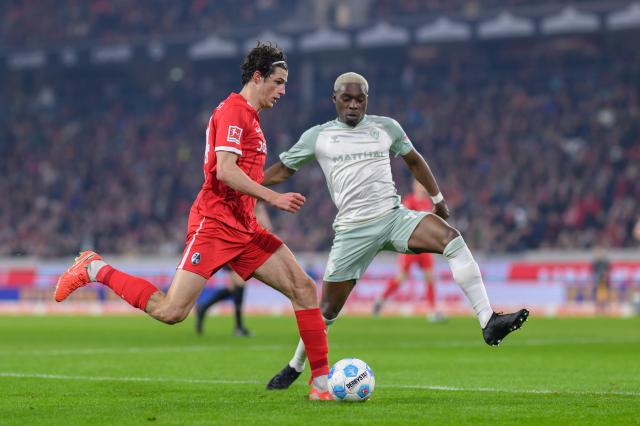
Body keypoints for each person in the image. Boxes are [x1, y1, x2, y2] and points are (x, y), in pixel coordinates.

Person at [54, 42, 332, 401]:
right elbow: (225, 171)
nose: (283, 91)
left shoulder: (251, 118)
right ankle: (94, 269)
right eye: (278, 82)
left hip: (244, 226)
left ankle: (321, 385)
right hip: (215, 223)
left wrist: (280, 179)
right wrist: (273, 198)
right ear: (258, 77)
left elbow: (247, 174)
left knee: (305, 289)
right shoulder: (234, 111)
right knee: (172, 311)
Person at [262, 72, 529, 390]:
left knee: (451, 239)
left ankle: (488, 320)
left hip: (393, 217)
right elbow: (282, 170)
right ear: (334, 100)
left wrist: (438, 200)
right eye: (346, 98)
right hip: (352, 231)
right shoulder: (317, 137)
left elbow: (415, 161)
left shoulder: (385, 127)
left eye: (359, 99)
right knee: (328, 310)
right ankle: (295, 366)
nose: (353, 105)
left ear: (367, 100)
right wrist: (245, 185)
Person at [195, 203, 272, 337]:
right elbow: (264, 224)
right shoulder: (249, 200)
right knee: (240, 285)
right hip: (236, 245)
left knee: (233, 289)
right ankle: (238, 327)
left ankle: (203, 307)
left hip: (240, 245)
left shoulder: (252, 199)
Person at [372, 179, 444, 322]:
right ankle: (381, 300)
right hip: (410, 246)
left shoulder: (428, 204)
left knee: (430, 277)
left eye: (424, 185)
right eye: (420, 185)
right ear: (415, 186)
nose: (423, 188)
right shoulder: (409, 201)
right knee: (402, 277)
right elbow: (405, 223)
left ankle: (433, 311)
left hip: (424, 246)